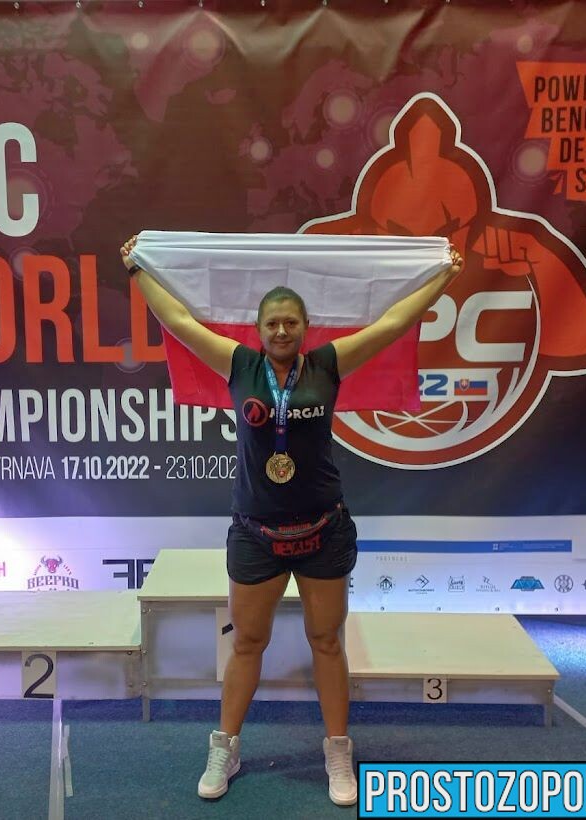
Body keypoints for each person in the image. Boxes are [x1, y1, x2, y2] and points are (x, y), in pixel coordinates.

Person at [120, 234, 463, 806]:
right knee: (247, 642)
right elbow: (177, 319)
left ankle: (337, 751)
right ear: (258, 330)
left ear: (306, 328)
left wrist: (444, 276)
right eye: (272, 323)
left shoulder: (328, 364)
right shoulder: (239, 365)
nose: (282, 331)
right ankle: (225, 748)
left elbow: (394, 322)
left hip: (322, 530)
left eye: (291, 323)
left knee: (326, 641)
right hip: (256, 532)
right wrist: (137, 270)